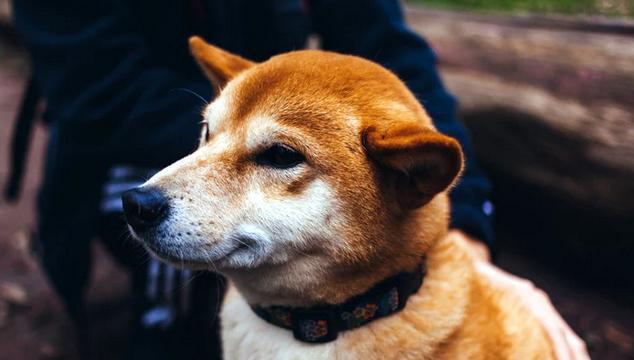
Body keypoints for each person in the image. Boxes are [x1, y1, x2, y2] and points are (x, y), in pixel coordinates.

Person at [9, 0, 587, 359]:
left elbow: (394, 56)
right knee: (172, 312)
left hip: (270, 117)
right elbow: (102, 96)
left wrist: (468, 227)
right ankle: (157, 321)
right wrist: (245, 124)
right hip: (119, 145)